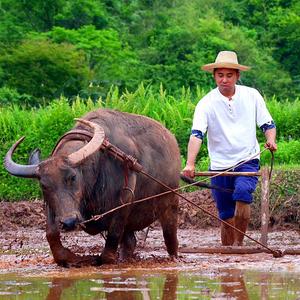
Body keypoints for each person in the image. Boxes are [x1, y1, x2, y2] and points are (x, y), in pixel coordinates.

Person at [182, 51, 277, 246]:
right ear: (214, 76)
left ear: (237, 76)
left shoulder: (252, 95)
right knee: (226, 216)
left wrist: (271, 140)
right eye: (220, 75)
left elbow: (268, 124)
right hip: (219, 165)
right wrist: (190, 163)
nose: (224, 80)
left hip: (247, 160)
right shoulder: (206, 103)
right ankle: (228, 256)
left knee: (243, 194)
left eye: (229, 75)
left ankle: (239, 246)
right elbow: (197, 134)